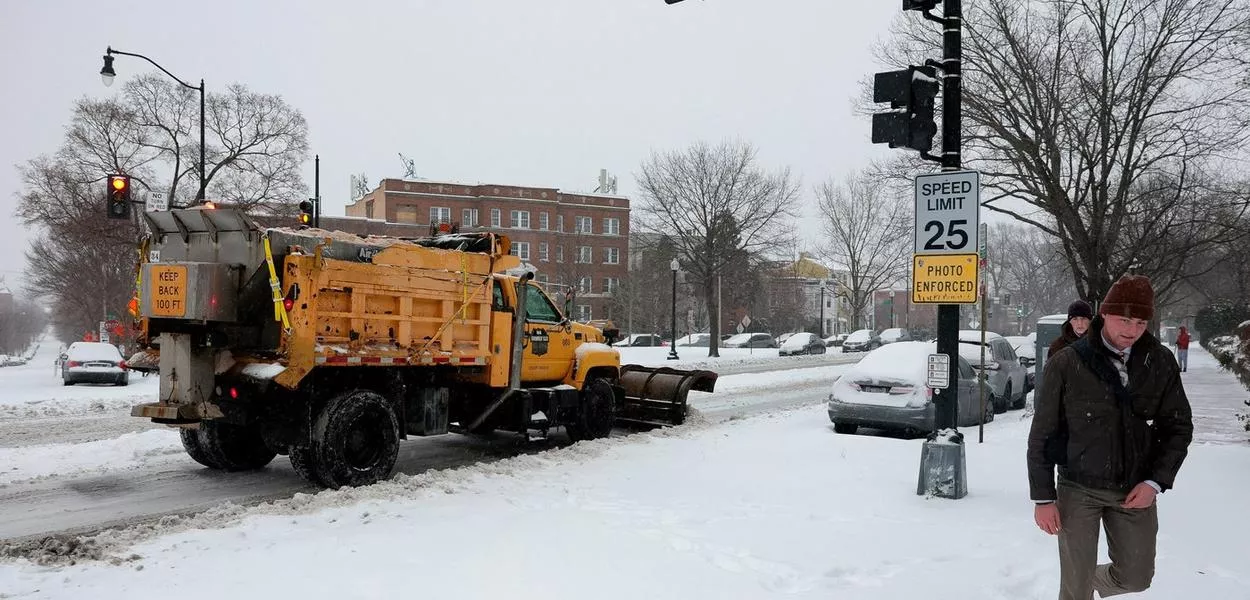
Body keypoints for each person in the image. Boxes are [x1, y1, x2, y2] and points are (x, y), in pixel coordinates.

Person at [1027, 275, 1193, 600]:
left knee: (1136, 577)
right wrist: (1043, 497)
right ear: (1104, 314)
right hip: (1078, 488)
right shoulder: (1067, 362)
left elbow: (1177, 427)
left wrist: (1155, 482)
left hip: (1134, 488)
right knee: (1074, 590)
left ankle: (1089, 579)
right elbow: (1042, 434)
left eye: (1141, 321)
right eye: (1124, 319)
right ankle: (1078, 584)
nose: (1131, 330)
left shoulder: (1159, 361)